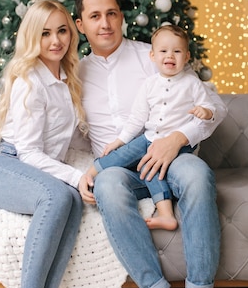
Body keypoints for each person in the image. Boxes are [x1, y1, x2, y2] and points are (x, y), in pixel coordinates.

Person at [75, 0, 229, 288]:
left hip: (171, 157)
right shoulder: (73, 73)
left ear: (122, 17)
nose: (105, 23)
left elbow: (214, 106)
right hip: (120, 168)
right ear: (80, 25)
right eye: (95, 16)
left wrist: (178, 138)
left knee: (197, 176)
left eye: (112, 13)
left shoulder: (154, 54)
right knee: (109, 184)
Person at [0, 0, 88, 288]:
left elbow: (66, 144)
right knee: (60, 192)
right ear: (32, 36)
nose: (55, 40)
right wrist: (74, 175)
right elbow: (28, 153)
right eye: (45, 33)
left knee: (71, 200)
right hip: (4, 165)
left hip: (29, 166)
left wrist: (97, 165)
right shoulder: (29, 79)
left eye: (61, 31)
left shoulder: (64, 78)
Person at [85, 24, 218, 231]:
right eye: (164, 51)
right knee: (124, 153)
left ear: (187, 56)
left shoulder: (192, 83)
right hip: (149, 138)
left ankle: (165, 214)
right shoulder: (149, 84)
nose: (170, 56)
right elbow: (137, 118)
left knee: (151, 167)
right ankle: (90, 174)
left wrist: (205, 112)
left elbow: (210, 106)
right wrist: (120, 141)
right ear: (153, 56)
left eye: (177, 51)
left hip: (176, 144)